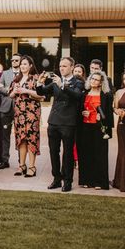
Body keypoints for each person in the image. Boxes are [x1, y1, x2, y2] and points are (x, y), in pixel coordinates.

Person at [35, 57, 84, 192]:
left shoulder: (78, 82)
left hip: (68, 122)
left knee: (67, 153)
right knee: (53, 152)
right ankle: (56, 178)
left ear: (72, 67)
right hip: (54, 121)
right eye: (61, 66)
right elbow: (42, 92)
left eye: (65, 66)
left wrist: (63, 85)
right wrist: (39, 83)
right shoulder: (56, 81)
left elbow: (77, 96)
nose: (62, 68)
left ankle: (67, 181)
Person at [77, 72, 114, 189]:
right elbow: (79, 110)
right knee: (86, 154)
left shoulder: (106, 95)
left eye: (97, 80)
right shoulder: (84, 94)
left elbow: (109, 114)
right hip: (85, 127)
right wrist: (83, 112)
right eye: (92, 78)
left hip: (99, 128)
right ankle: (87, 180)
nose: (93, 81)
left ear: (101, 82)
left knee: (100, 155)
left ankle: (99, 182)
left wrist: (101, 117)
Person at [9, 55, 43, 178]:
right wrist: (15, 91)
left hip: (32, 113)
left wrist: (26, 91)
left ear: (30, 66)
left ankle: (32, 167)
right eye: (21, 64)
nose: (22, 66)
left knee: (31, 138)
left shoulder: (36, 78)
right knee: (21, 139)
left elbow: (42, 96)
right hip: (19, 113)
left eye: (25, 64)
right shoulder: (16, 79)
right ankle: (22, 165)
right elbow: (11, 95)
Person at [0, 54, 21, 169]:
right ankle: (5, 160)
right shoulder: (5, 73)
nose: (14, 62)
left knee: (21, 135)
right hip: (6, 108)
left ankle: (22, 161)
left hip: (21, 108)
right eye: (12, 60)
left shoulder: (25, 74)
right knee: (5, 135)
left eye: (16, 60)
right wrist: (9, 91)